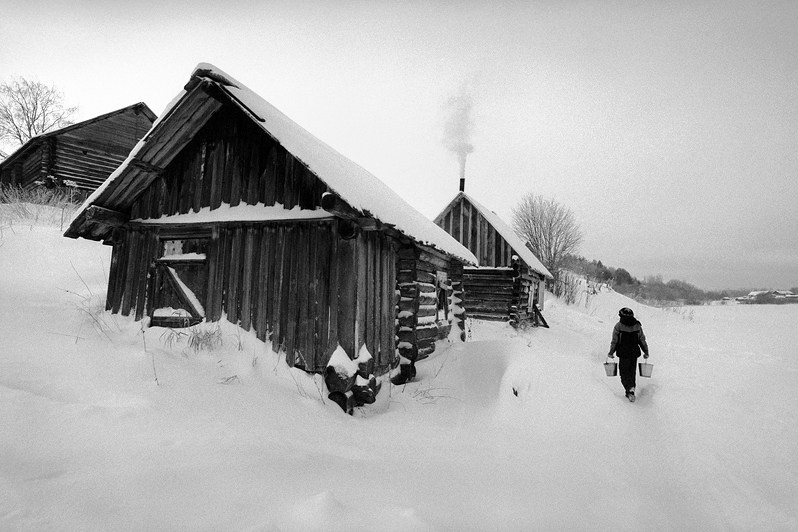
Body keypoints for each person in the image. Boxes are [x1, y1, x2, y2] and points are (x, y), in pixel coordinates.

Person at [607, 307, 649, 402]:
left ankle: (629, 388)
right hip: (634, 353)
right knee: (632, 372)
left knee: (624, 372)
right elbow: (642, 340)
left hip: (623, 353)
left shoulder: (618, 326)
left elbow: (615, 341)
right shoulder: (637, 326)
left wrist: (611, 352)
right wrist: (646, 351)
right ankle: (631, 391)